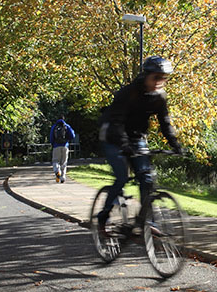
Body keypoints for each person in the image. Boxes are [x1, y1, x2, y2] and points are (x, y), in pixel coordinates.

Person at [95, 56, 183, 237]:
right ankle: (103, 218)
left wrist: (175, 144)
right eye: (156, 77)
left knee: (147, 179)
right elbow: (117, 121)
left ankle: (146, 221)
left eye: (164, 78)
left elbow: (165, 123)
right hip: (112, 136)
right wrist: (125, 145)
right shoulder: (128, 92)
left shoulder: (159, 96)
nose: (160, 82)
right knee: (122, 177)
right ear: (146, 75)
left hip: (136, 137)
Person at [49, 115, 77, 183]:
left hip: (56, 146)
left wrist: (53, 144)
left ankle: (57, 171)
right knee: (64, 162)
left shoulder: (54, 126)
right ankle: (63, 177)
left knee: (55, 161)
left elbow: (51, 137)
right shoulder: (66, 126)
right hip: (65, 146)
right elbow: (73, 136)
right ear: (64, 119)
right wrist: (67, 139)